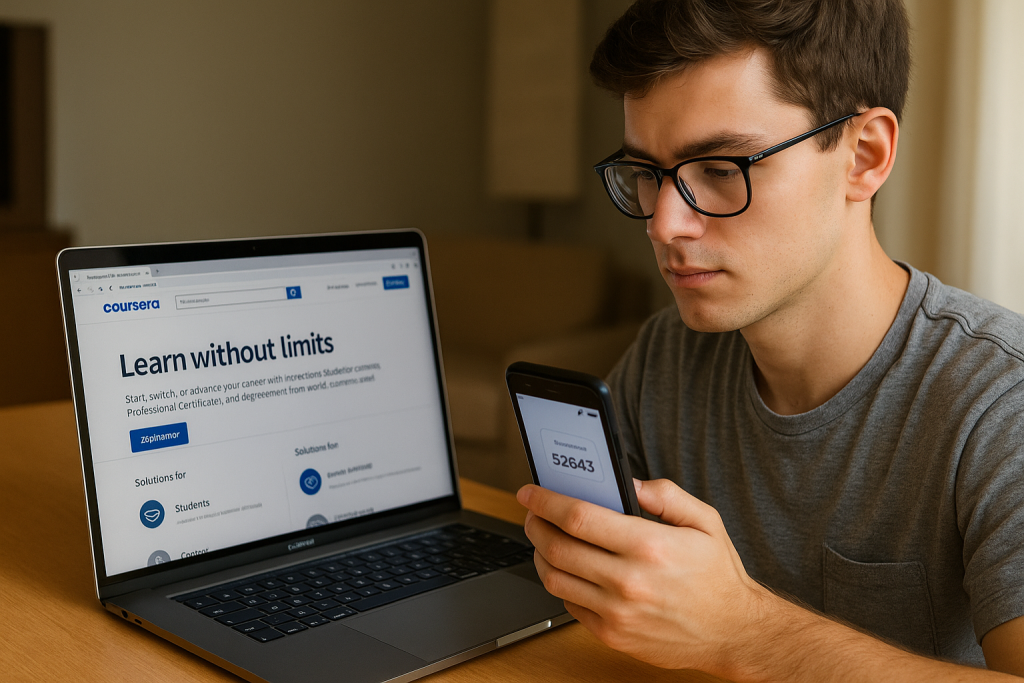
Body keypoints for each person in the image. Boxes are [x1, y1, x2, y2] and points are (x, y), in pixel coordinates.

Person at [515, 0, 1024, 679]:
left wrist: (746, 631)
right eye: (647, 173)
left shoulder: (1002, 401)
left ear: (864, 155)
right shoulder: (668, 356)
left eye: (721, 169)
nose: (664, 224)